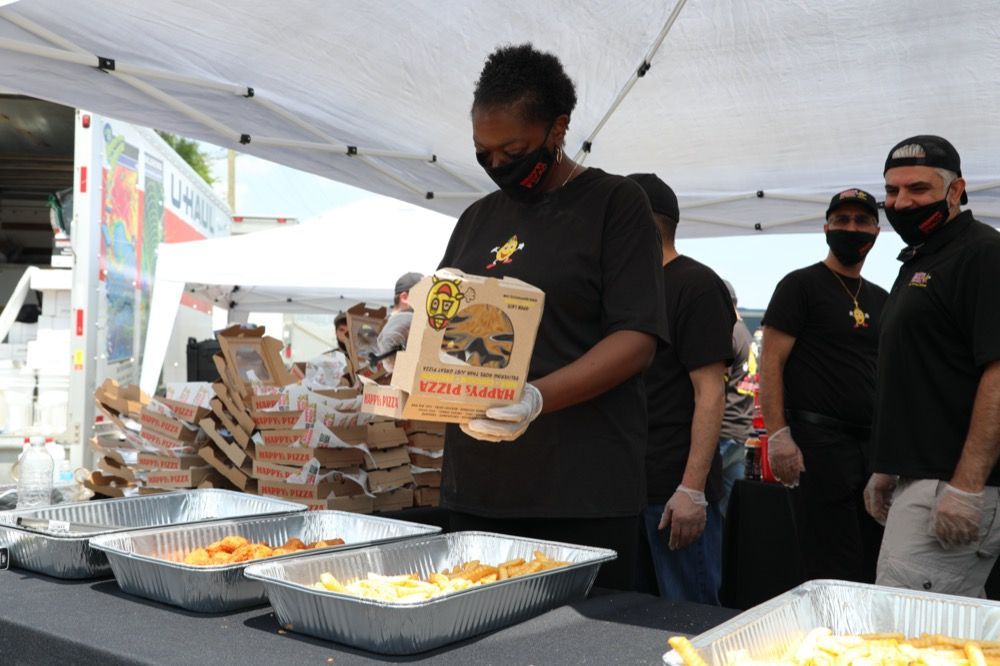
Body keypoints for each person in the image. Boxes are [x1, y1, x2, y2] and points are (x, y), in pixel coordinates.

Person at [437, 43, 668, 591]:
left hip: (579, 489)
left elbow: (637, 337)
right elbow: (446, 319)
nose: (497, 164)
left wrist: (537, 397)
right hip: (479, 487)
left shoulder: (615, 203)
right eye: (482, 151)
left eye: (512, 148)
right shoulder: (476, 218)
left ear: (558, 128)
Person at [865, 135, 1000, 597]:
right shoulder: (921, 258)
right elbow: (919, 374)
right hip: (919, 478)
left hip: (951, 484)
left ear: (956, 190)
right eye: (892, 191)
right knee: (945, 632)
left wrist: (966, 486)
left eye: (917, 189)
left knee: (904, 631)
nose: (900, 203)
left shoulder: (983, 253)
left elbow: (998, 373)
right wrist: (889, 466)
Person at [759, 187, 888, 583]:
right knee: (832, 563)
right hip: (817, 445)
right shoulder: (800, 286)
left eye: (861, 220)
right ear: (826, 228)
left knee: (872, 561)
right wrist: (779, 435)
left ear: (877, 231)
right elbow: (770, 363)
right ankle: (832, 640)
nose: (852, 228)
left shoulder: (883, 298)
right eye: (843, 220)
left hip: (869, 449)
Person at [628, 173, 734, 604]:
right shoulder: (628, 290)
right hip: (626, 490)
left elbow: (710, 392)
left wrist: (691, 489)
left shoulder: (695, 285)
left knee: (688, 621)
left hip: (671, 494)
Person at [718, 279, 755, 516]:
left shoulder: (729, 332)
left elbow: (715, 388)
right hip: (741, 431)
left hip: (723, 435)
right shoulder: (745, 334)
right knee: (728, 512)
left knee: (706, 509)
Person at [375, 271, 423, 372]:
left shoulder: (384, 323)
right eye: (423, 295)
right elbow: (392, 365)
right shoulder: (406, 320)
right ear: (405, 298)